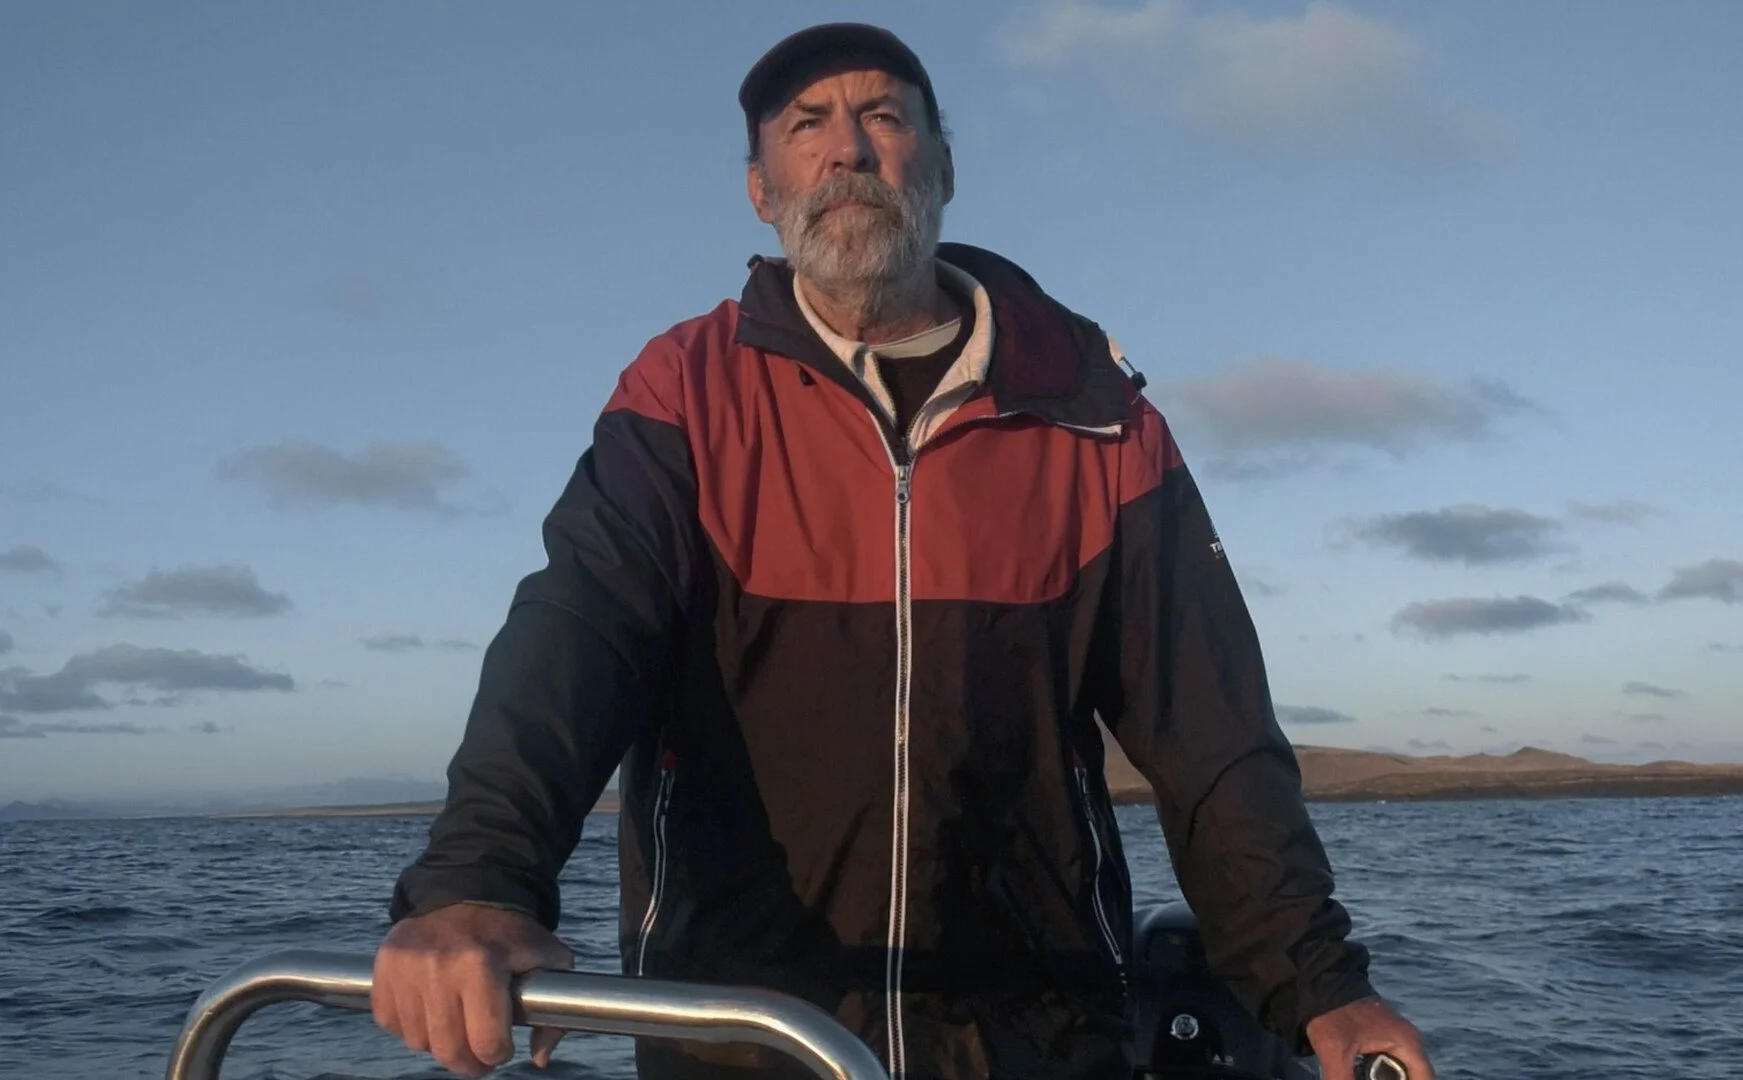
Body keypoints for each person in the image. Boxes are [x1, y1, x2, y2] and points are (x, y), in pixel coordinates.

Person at [370, 21, 1435, 1080]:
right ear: (760, 188)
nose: (847, 149)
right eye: (806, 125)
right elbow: (573, 637)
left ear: (944, 163)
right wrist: (478, 880)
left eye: (883, 115)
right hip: (738, 1042)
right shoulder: (685, 394)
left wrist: (1319, 985)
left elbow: (1212, 734)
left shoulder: (1099, 423)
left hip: (1040, 1041)